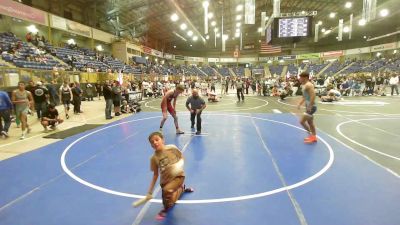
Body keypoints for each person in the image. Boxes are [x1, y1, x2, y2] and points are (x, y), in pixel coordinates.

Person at [145, 132, 194, 220]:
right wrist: (150, 192)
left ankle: (165, 210)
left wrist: (178, 166)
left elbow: (182, 157)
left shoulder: (172, 148)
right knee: (170, 202)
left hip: (178, 176)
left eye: (157, 140)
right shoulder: (153, 158)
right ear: (151, 145)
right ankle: (181, 189)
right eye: (152, 142)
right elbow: (155, 175)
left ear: (163, 140)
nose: (155, 143)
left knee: (167, 190)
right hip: (165, 181)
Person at [297, 72, 317, 144]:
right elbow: (304, 96)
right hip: (309, 106)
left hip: (311, 107)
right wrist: (300, 103)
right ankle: (313, 137)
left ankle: (312, 136)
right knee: (310, 123)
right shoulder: (304, 85)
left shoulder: (309, 85)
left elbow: (313, 95)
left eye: (300, 77)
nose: (299, 79)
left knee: (302, 122)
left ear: (305, 78)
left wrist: (310, 106)